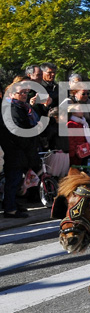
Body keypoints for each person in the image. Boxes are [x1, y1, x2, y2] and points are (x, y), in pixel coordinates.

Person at [0, 81, 41, 218]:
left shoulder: (23, 106)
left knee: (18, 181)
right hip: (15, 149)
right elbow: (16, 130)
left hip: (24, 150)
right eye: (21, 92)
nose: (24, 95)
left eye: (25, 92)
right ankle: (10, 209)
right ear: (12, 94)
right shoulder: (12, 108)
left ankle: (13, 205)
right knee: (13, 180)